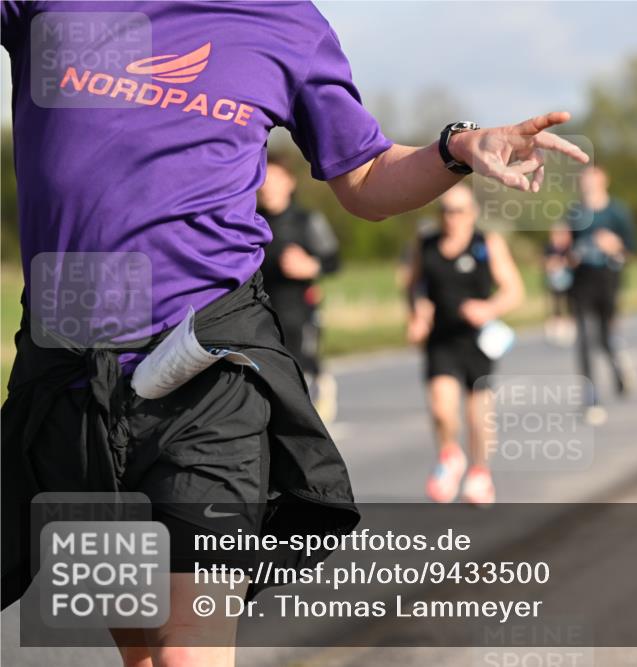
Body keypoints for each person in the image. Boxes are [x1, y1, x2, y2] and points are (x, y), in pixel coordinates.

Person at [0, 2, 588, 665]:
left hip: (206, 365)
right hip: (71, 366)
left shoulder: (284, 21)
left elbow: (366, 176)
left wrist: (454, 147)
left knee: (187, 646)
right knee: (140, 639)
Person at [405, 184, 524, 507]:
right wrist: (416, 314)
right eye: (445, 211)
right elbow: (414, 285)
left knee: (478, 417)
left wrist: (490, 309)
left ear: (471, 214)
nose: (451, 218)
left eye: (458, 211)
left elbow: (514, 290)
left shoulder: (487, 244)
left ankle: (480, 473)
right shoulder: (426, 245)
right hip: (441, 337)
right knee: (442, 409)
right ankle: (450, 455)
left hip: (477, 341)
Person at [258, 152, 340, 424]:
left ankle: (318, 396)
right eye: (263, 179)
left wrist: (310, 266)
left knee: (302, 367)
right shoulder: (252, 223)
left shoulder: (307, 220)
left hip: (301, 310)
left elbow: (333, 261)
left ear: (289, 182)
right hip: (263, 311)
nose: (267, 186)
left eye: (274, 179)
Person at [565, 166, 637, 425]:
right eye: (584, 181)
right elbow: (565, 247)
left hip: (608, 279)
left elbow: (632, 248)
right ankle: (591, 400)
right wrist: (568, 256)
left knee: (605, 339)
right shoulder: (574, 213)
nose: (587, 185)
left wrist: (614, 244)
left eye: (592, 181)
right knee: (584, 340)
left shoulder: (616, 211)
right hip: (581, 282)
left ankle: (619, 365)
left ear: (603, 182)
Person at [543, 222, 576, 346]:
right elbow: (545, 262)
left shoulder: (569, 248)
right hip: (554, 282)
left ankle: (571, 327)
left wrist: (563, 262)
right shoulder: (549, 248)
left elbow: (573, 261)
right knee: (556, 305)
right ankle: (557, 328)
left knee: (570, 303)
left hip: (568, 281)